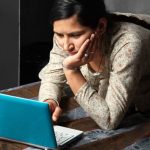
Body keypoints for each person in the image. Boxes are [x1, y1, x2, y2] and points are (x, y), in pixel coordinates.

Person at [38, 0, 150, 130]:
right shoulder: (66, 34)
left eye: (75, 35)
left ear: (101, 26)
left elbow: (109, 120)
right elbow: (52, 74)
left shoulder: (128, 44)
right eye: (59, 34)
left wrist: (71, 70)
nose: (66, 45)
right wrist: (49, 101)